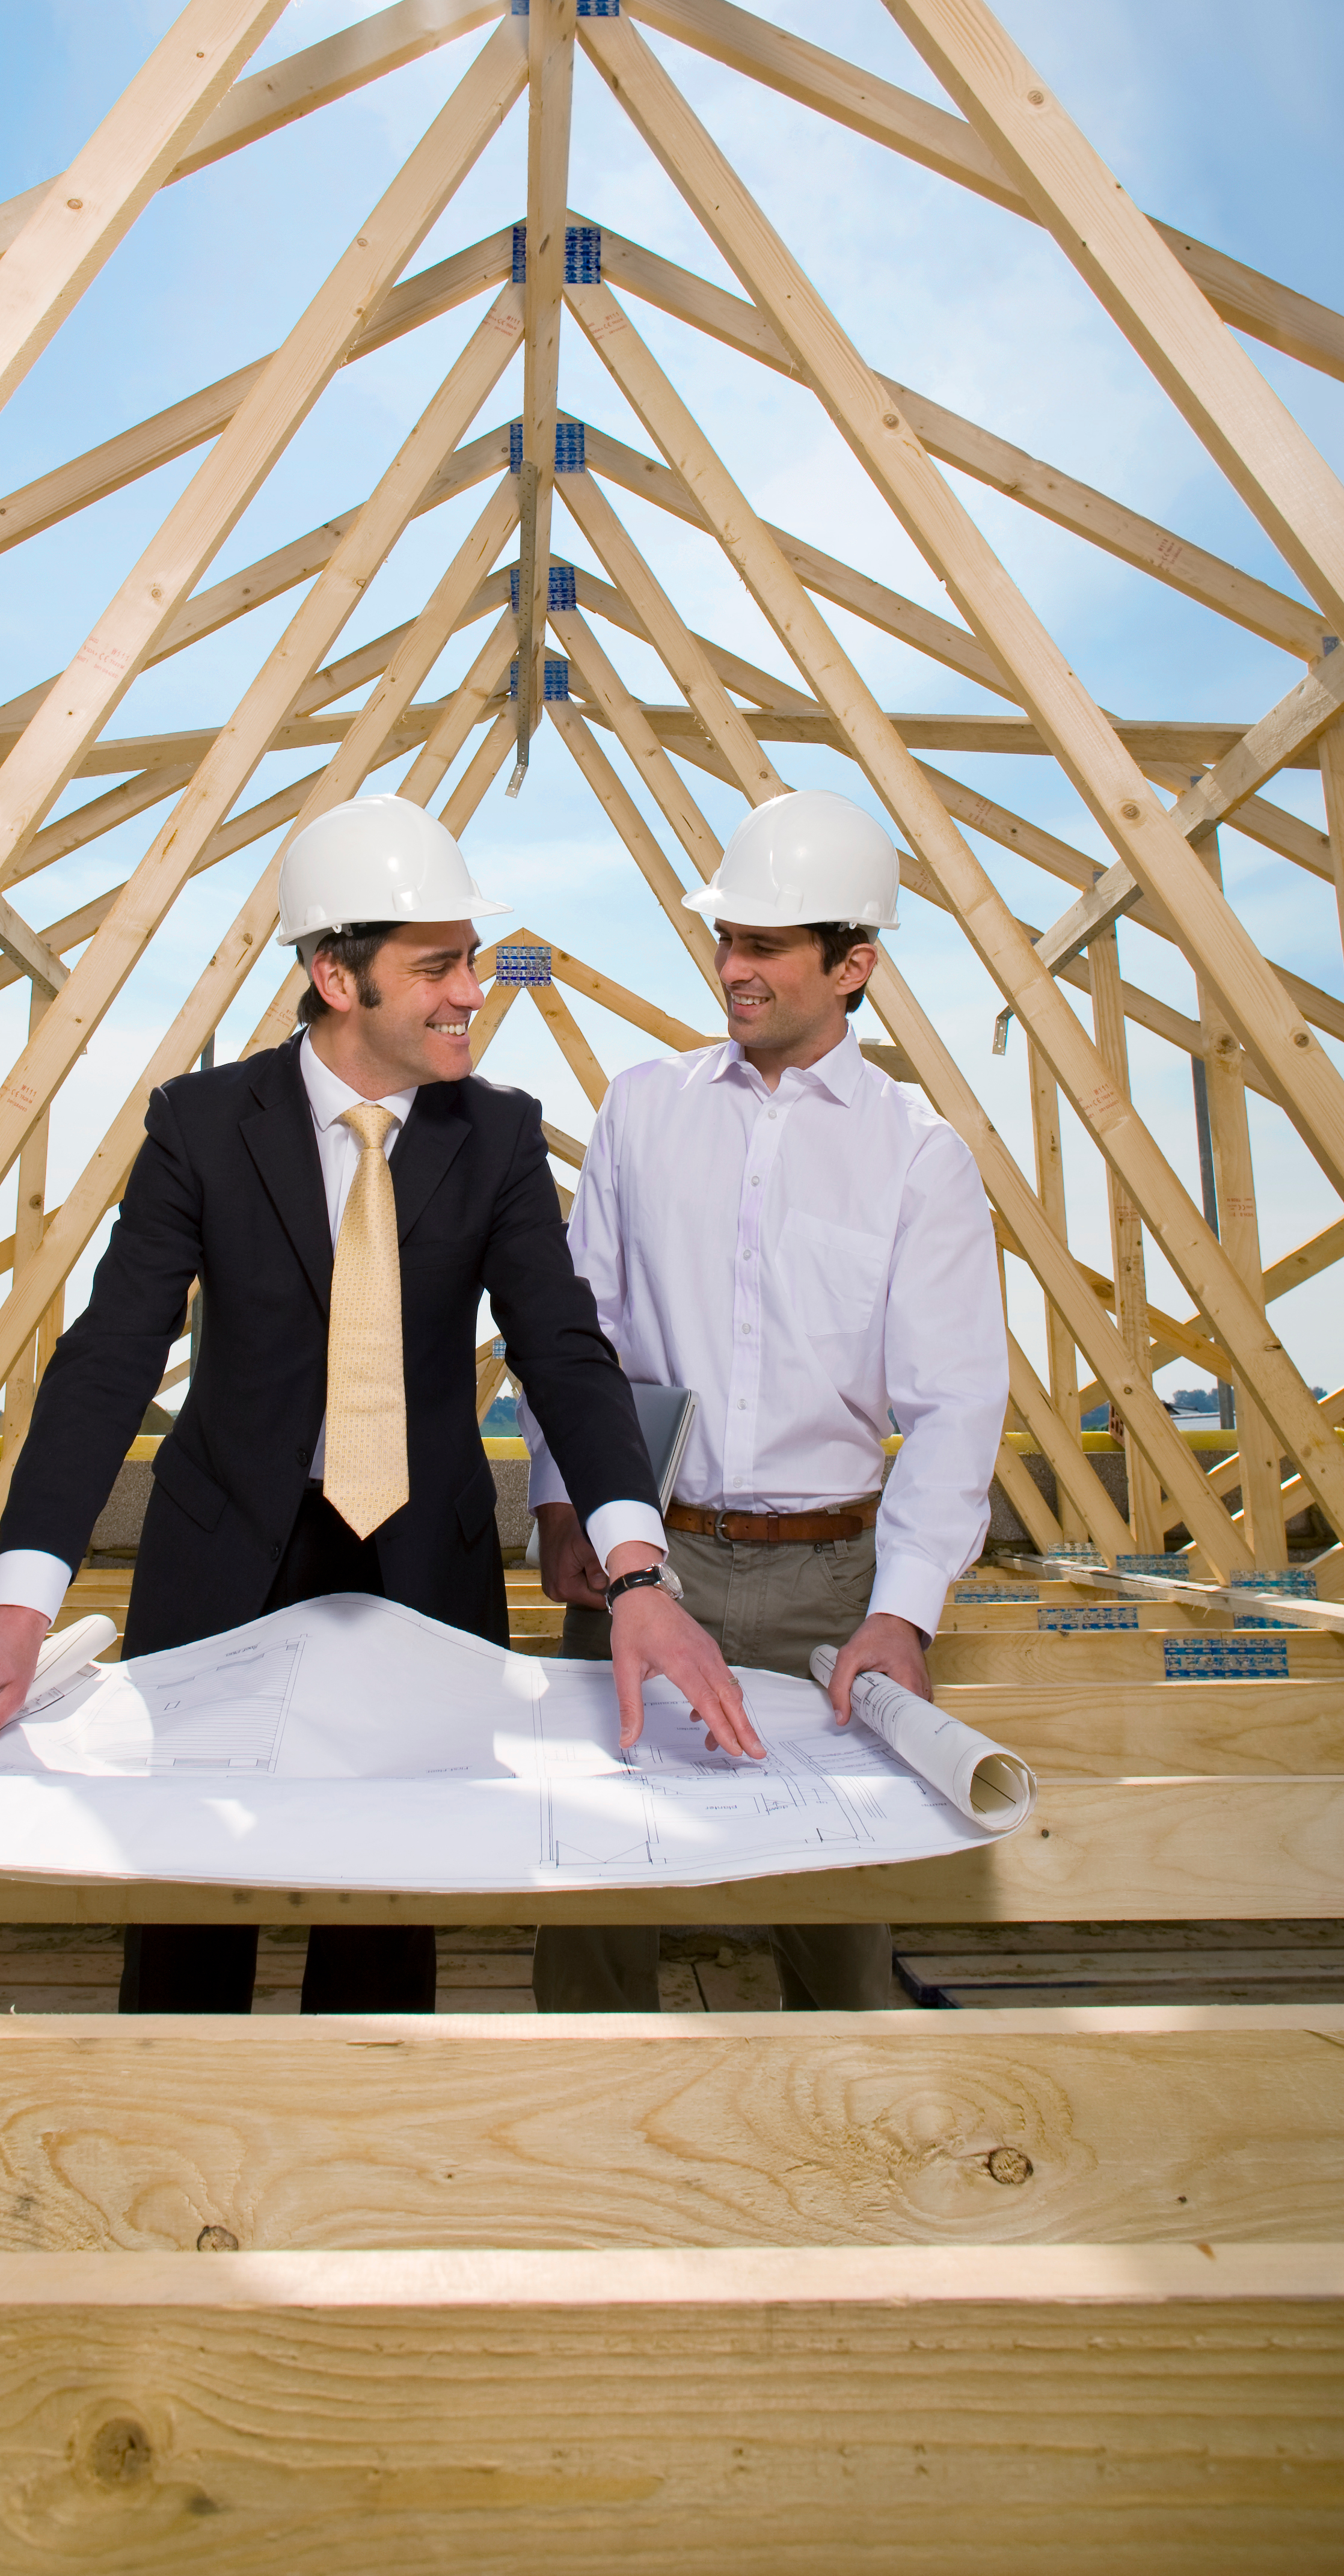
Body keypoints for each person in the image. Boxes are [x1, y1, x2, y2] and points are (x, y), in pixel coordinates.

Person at [0, 792, 756, 2017]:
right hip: (220, 1560)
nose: (473, 990)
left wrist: (639, 1575)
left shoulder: (501, 1134)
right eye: (440, 966)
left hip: (420, 1560)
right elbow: (109, 1359)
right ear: (335, 976)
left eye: (469, 959)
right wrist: (18, 1607)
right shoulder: (202, 1124)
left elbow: (567, 1352)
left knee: (388, 1925)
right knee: (189, 1913)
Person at [525, 789, 1009, 2015]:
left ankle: (848, 2171)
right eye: (726, 939)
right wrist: (563, 1502)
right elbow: (583, 1339)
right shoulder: (643, 1111)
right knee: (594, 1897)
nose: (733, 969)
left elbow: (954, 1403)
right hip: (655, 1559)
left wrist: (902, 1613)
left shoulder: (918, 1153)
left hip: (832, 1583)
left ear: (854, 964)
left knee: (840, 1921)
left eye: (766, 946)